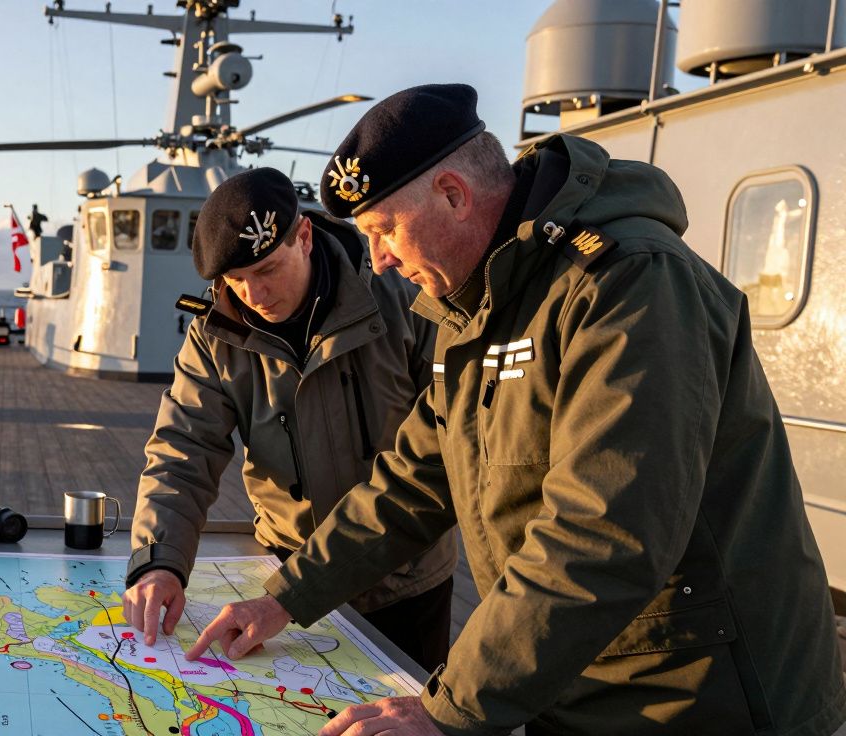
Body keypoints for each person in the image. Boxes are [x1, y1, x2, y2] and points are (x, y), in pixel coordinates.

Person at [185, 84, 846, 735]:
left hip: (700, 698)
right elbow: (411, 482)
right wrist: (286, 599)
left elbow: (604, 533)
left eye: (384, 230)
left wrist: (448, 710)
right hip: (573, 682)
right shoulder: (471, 308)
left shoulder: (628, 285)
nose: (379, 260)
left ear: (452, 195)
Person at [123, 167, 457, 672]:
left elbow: (444, 449)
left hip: (402, 583)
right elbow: (182, 450)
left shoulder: (406, 299)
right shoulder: (215, 335)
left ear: (304, 236)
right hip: (281, 579)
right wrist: (159, 561)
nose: (254, 296)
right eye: (235, 280)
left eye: (267, 270)